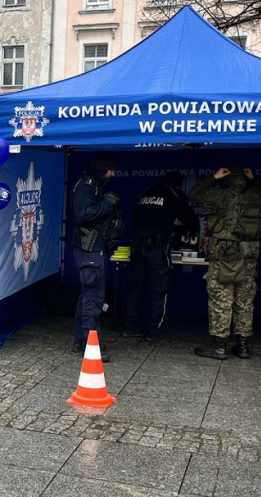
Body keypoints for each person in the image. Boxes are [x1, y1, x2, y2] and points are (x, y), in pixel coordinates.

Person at [189, 163, 261, 359]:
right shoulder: (258, 196)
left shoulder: (222, 196)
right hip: (248, 256)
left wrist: (213, 177)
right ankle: (242, 346)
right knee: (245, 300)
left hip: (224, 255)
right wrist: (253, 180)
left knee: (221, 299)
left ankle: (219, 346)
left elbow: (194, 193)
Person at [121, 170, 198, 340]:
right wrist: (177, 231)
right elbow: (191, 221)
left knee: (135, 288)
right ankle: (153, 331)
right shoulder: (174, 194)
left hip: (136, 245)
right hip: (157, 247)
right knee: (159, 289)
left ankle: (129, 327)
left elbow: (135, 215)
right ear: (178, 184)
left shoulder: (146, 192)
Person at [71, 154, 121, 361]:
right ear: (102, 169)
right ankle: (91, 348)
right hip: (88, 248)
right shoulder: (87, 186)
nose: (113, 174)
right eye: (110, 170)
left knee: (87, 295)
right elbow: (83, 214)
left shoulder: (95, 186)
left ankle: (81, 341)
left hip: (92, 248)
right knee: (93, 298)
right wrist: (107, 204)